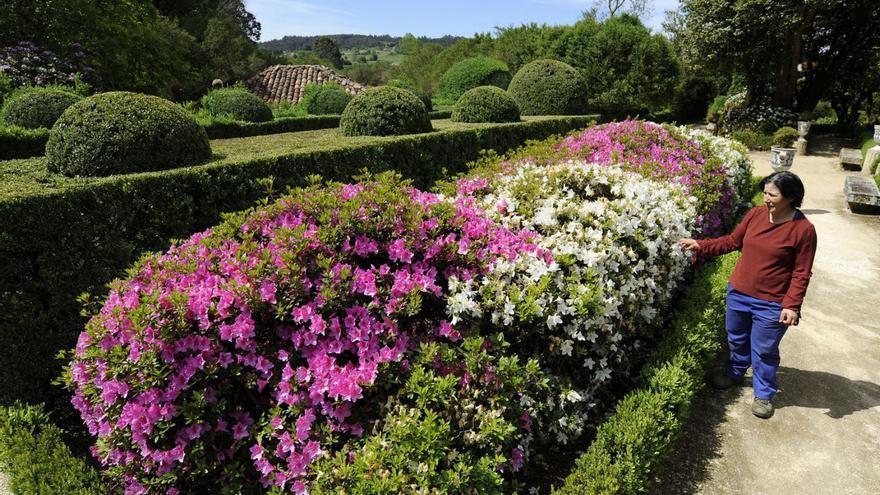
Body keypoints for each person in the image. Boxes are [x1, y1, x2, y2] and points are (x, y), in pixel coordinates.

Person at [679, 171, 817, 418]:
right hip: (739, 292)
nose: (766, 199)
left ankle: (763, 393)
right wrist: (702, 245)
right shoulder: (756, 215)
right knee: (737, 338)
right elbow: (733, 241)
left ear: (791, 197)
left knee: (764, 349)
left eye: (772, 195)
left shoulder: (803, 230)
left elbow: (801, 272)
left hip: (772, 302)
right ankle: (735, 371)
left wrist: (791, 306)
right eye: (765, 192)